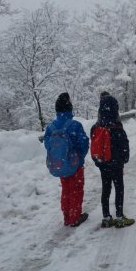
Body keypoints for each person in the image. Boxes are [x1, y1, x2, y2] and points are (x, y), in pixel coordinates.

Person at [44, 93, 89, 227]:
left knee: (66, 189)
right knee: (76, 189)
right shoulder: (75, 125)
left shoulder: (51, 127)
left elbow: (48, 145)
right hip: (75, 165)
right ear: (70, 109)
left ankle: (67, 217)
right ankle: (75, 217)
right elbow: (84, 144)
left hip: (60, 164)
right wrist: (78, 158)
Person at [91, 94, 134, 228]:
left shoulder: (96, 127)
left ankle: (106, 217)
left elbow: (94, 145)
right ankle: (119, 217)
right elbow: (125, 148)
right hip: (116, 165)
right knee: (119, 188)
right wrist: (124, 160)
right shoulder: (117, 128)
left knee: (106, 189)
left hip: (103, 165)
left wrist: (99, 162)